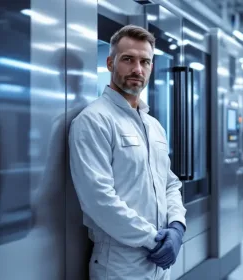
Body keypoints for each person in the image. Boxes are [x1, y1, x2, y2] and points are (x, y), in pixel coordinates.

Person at [68, 25, 187, 280]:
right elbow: (98, 199)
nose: (137, 69)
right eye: (128, 59)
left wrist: (176, 227)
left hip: (161, 261)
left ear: (152, 67)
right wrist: (154, 239)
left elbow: (170, 184)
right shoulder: (94, 120)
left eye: (145, 61)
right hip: (120, 263)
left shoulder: (153, 126)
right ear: (111, 63)